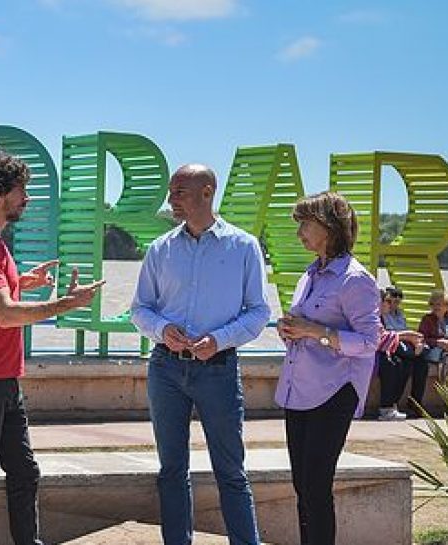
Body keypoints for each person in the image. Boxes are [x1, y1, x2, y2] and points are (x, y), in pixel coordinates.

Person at [0, 150, 105, 545]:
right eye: (22, 190)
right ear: (0, 192)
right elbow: (3, 314)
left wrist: (24, 282)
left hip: (3, 379)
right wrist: (64, 305)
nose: (27, 198)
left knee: (24, 472)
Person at [130, 163, 270, 545]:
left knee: (231, 471)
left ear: (207, 193)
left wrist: (220, 340)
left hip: (219, 370)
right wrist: (162, 330)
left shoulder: (243, 246)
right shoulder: (160, 249)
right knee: (171, 470)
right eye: (172, 191)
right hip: (165, 369)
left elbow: (259, 311)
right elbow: (139, 309)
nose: (170, 199)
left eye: (179, 191)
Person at [275, 191, 381, 545]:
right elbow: (309, 326)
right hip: (300, 388)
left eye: (305, 224)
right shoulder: (311, 273)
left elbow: (370, 341)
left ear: (330, 228)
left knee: (316, 486)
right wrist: (290, 329)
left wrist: (316, 331)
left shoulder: (356, 280)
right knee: (302, 485)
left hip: (334, 390)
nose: (299, 232)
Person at [376, 286, 427, 420]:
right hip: (372, 354)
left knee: (413, 363)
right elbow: (380, 339)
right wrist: (408, 335)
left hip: (388, 349)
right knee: (392, 364)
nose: (391, 303)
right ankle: (386, 408)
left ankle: (405, 404)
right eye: (388, 300)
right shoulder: (374, 317)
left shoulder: (394, 316)